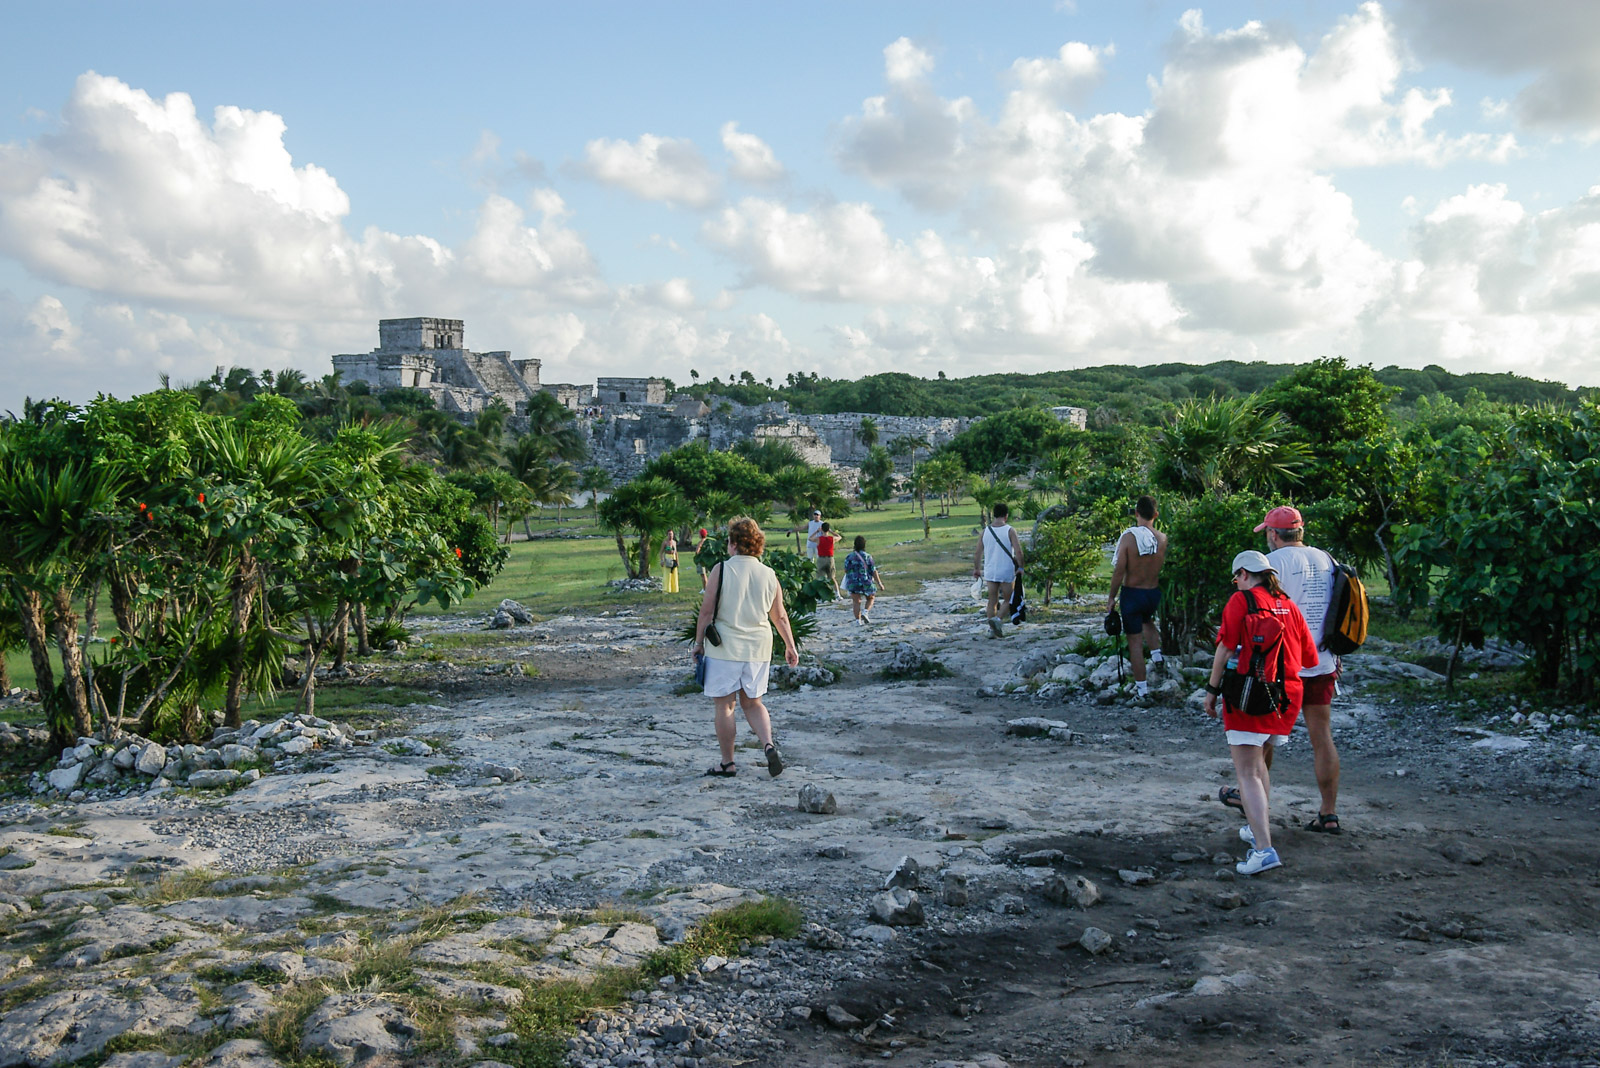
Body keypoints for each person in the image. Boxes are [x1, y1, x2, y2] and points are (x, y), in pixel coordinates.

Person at [1202, 550, 1319, 876]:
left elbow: (1224, 648)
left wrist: (1211, 691)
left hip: (1248, 695)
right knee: (1260, 763)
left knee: (1248, 772)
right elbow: (1309, 658)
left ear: (1243, 574)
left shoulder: (1241, 602)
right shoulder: (1289, 605)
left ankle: (1264, 849)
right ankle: (1256, 830)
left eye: (1236, 577)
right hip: (1286, 697)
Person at [1258, 505, 1344, 834]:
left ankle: (1256, 804)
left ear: (1272, 534)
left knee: (1263, 737)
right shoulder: (1327, 559)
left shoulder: (1272, 564)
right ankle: (1329, 812)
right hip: (1321, 660)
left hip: (1282, 663)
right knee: (1322, 736)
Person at [693, 516, 799, 778]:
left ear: (732, 544)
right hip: (758, 647)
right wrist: (790, 645)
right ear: (757, 545)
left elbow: (706, 613)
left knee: (725, 706)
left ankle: (728, 763)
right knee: (753, 703)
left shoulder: (722, 569)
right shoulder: (769, 574)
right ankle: (768, 744)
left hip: (725, 648)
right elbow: (780, 616)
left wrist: (698, 644)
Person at [1107, 495, 1168, 698]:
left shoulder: (1128, 537)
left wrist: (1111, 597)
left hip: (1132, 592)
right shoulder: (1162, 538)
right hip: (1153, 591)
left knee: (1134, 641)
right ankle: (1157, 656)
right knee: (1147, 620)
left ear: (1136, 513)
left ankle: (1142, 690)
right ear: (1156, 514)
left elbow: (1119, 570)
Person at [972, 502, 1024, 639]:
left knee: (992, 600)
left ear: (994, 515)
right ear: (1006, 516)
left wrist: (977, 568)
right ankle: (998, 620)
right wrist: (1021, 566)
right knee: (1009, 599)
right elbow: (1018, 551)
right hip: (1006, 570)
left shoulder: (985, 531)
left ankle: (992, 630)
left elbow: (978, 552)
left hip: (990, 570)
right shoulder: (1010, 530)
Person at [843, 534, 885, 624]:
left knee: (856, 602)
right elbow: (873, 571)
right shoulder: (867, 556)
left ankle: (858, 621)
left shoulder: (849, 557)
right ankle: (865, 612)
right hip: (866, 581)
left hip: (853, 582)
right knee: (871, 597)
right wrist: (880, 583)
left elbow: (846, 569)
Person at [815, 522, 841, 597]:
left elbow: (810, 538)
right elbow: (839, 537)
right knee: (832, 577)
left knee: (820, 578)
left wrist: (817, 531)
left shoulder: (819, 539)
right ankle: (837, 594)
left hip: (821, 559)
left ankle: (820, 596)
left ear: (821, 529)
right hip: (830, 558)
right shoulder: (832, 539)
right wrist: (831, 531)